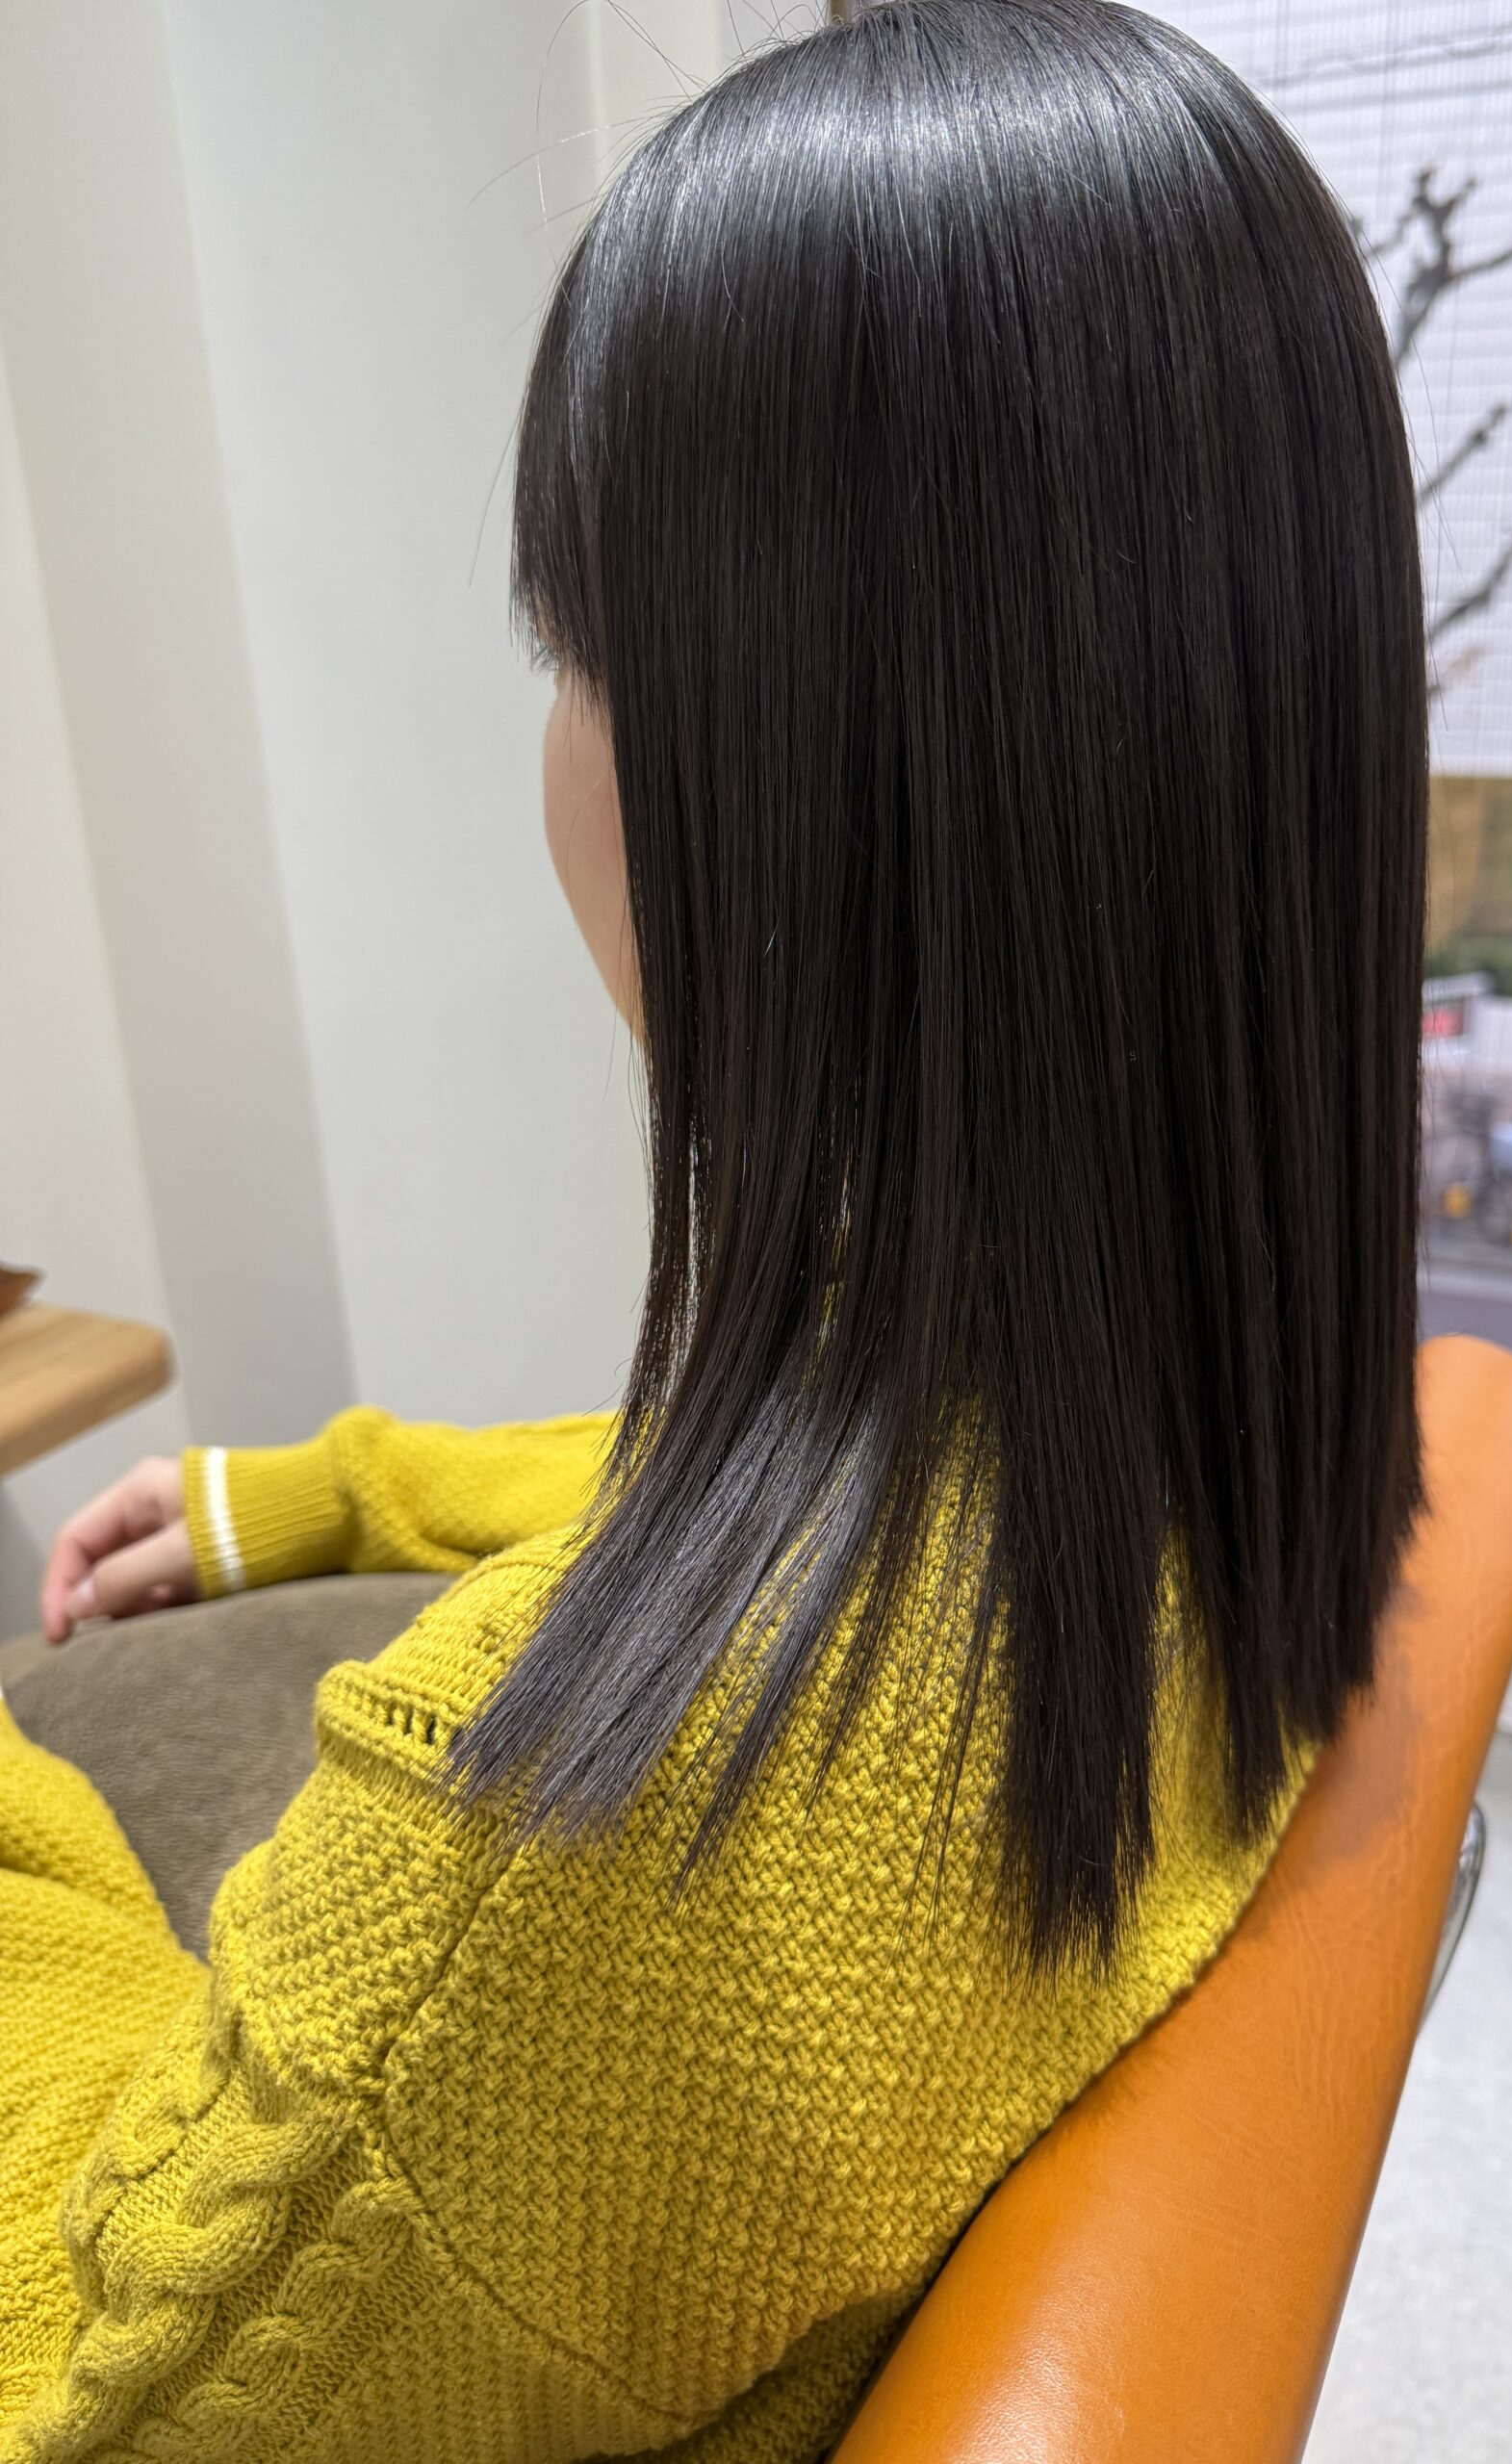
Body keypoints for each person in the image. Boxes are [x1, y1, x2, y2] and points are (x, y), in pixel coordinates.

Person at [3, 0, 1428, 2453]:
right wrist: (320, 1490)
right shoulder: (1218, 1403)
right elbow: (733, 1475)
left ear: (805, 770)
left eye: (575, 647)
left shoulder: (552, 1872)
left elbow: (95, 2386)